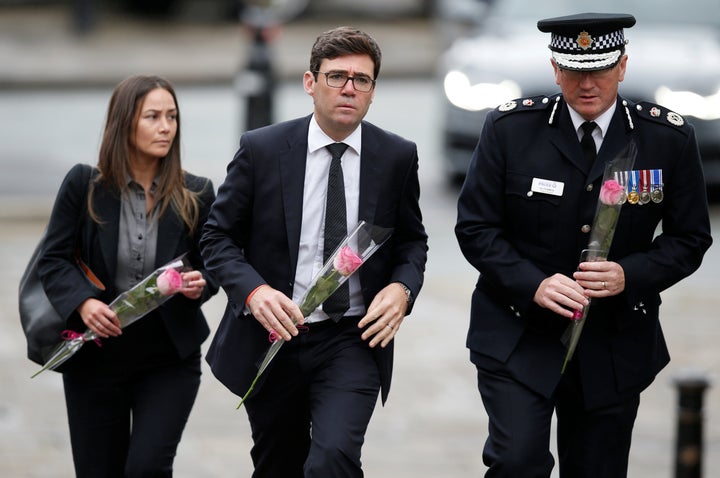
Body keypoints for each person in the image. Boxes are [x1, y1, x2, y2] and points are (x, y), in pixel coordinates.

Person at [455, 13, 712, 477]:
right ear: (556, 69)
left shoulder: (666, 138)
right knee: (517, 462)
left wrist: (630, 274)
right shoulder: (510, 129)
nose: (587, 83)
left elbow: (690, 238)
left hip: (612, 343)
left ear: (623, 66)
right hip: (519, 333)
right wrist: (532, 284)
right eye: (574, 70)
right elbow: (475, 228)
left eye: (599, 68)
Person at [200, 26, 428, 477]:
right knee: (277, 465)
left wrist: (403, 288)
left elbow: (412, 241)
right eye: (336, 76)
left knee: (333, 459)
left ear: (373, 91)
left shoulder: (396, 156)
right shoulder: (262, 150)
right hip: (276, 333)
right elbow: (216, 238)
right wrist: (253, 292)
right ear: (310, 83)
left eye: (361, 79)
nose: (349, 88)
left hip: (352, 338)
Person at [38, 74, 219, 477]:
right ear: (125, 123)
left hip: (169, 359)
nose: (166, 126)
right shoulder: (84, 185)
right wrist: (83, 302)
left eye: (172, 116)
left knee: (148, 469)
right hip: (96, 359)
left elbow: (214, 264)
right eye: (152, 116)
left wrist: (198, 285)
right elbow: (53, 260)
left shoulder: (197, 192)